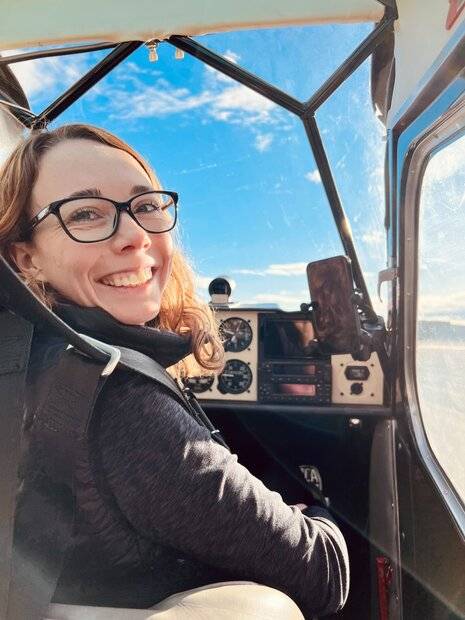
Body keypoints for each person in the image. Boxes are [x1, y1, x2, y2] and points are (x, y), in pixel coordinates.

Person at [0, 124, 349, 618]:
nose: (135, 236)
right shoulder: (119, 398)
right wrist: (314, 509)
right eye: (85, 213)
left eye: (145, 206)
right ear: (26, 258)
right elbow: (324, 573)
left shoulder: (25, 361)